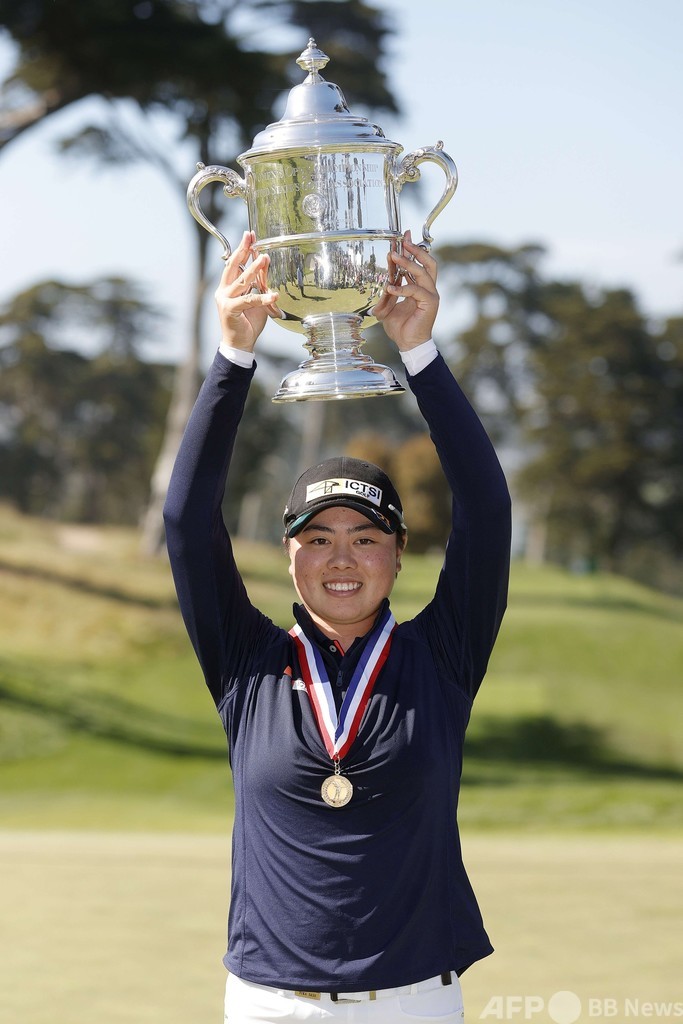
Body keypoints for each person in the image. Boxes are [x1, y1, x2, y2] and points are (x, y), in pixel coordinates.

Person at [163, 228, 512, 1024]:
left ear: (398, 552)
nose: (342, 558)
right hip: (270, 1003)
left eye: (365, 537)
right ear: (289, 556)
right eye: (317, 539)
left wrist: (417, 352)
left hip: (414, 1002)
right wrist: (233, 355)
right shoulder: (245, 662)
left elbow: (487, 513)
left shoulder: (442, 655)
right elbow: (186, 523)